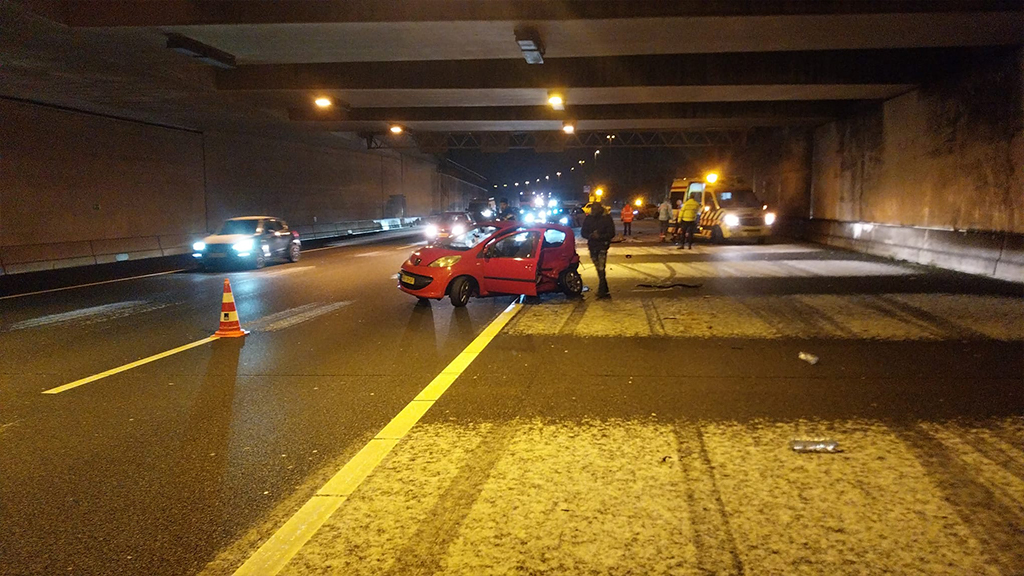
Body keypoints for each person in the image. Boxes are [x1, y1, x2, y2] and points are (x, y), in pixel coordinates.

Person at [580, 203, 615, 298]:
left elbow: (611, 233)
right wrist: (590, 235)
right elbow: (583, 232)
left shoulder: (606, 218)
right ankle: (604, 287)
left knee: (601, 267)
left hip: (602, 245)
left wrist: (600, 236)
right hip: (592, 246)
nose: (594, 211)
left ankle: (602, 289)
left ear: (600, 209)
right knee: (598, 267)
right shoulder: (589, 219)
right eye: (593, 209)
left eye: (595, 209)